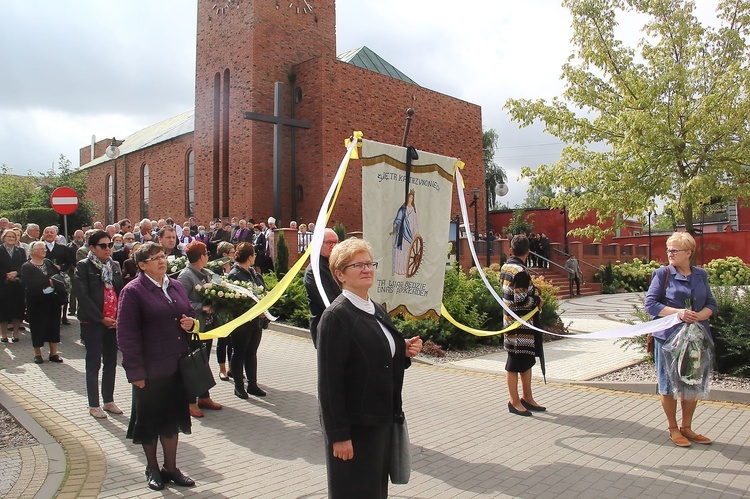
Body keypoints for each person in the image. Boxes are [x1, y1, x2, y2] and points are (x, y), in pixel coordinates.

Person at [317, 238, 423, 498]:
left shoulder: (373, 307)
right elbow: (329, 383)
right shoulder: (336, 316)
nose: (367, 269)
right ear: (340, 274)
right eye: (358, 265)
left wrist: (401, 350)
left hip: (380, 422)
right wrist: (338, 435)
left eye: (369, 263)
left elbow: (373, 354)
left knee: (375, 492)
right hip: (356, 428)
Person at [117, 242, 199, 491]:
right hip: (150, 370)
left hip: (176, 365)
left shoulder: (174, 285)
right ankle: (152, 467)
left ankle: (171, 468)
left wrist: (191, 323)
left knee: (172, 419)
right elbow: (126, 335)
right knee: (150, 422)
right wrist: (135, 372)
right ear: (142, 265)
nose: (161, 261)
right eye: (154, 258)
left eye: (162, 256)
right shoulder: (133, 291)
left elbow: (189, 313)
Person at [645, 232, 716, 447]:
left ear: (688, 253)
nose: (670, 254)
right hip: (668, 339)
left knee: (691, 383)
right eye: (668, 250)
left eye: (675, 250)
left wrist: (700, 315)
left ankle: (687, 427)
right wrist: (679, 313)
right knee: (668, 385)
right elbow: (650, 305)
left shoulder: (700, 274)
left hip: (696, 338)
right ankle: (673, 428)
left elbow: (711, 304)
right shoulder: (662, 273)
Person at [74, 230, 125, 419]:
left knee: (111, 361)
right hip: (93, 321)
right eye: (103, 246)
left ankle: (108, 400)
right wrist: (100, 318)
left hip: (113, 322)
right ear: (92, 248)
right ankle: (94, 404)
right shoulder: (84, 266)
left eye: (110, 245)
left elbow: (120, 292)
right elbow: (83, 297)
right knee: (93, 362)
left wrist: (119, 317)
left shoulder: (115, 266)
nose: (108, 249)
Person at [500, 235, 546, 416]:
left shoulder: (506, 267)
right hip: (518, 327)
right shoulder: (520, 272)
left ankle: (527, 397)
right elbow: (520, 300)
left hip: (515, 324)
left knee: (526, 362)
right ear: (528, 252)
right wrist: (537, 300)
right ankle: (514, 401)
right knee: (514, 364)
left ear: (511, 250)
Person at [177, 241, 223, 417]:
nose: (208, 257)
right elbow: (181, 302)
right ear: (201, 256)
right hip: (194, 327)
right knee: (193, 363)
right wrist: (201, 307)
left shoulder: (206, 274)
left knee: (203, 361)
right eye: (206, 254)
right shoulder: (186, 276)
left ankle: (204, 396)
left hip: (207, 326)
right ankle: (190, 401)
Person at [226, 242, 267, 398]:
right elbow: (234, 300)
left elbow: (262, 292)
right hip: (242, 322)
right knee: (239, 353)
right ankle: (239, 386)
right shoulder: (234, 275)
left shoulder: (254, 273)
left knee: (251, 353)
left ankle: (252, 384)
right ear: (250, 256)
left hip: (256, 322)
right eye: (254, 254)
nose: (255, 257)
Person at [21, 241, 64, 364]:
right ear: (32, 251)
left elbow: (57, 277)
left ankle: (53, 353)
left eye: (44, 248)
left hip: (52, 301)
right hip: (36, 302)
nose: (44, 250)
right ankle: (38, 353)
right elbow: (29, 284)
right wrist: (48, 282)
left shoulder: (48, 263)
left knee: (54, 326)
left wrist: (50, 282)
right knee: (37, 326)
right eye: (40, 248)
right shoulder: (26, 266)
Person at [303, 228, 341, 347]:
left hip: (345, 327)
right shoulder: (314, 271)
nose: (334, 246)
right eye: (329, 243)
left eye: (336, 242)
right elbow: (328, 302)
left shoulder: (338, 265)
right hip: (327, 330)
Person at [214, 240, 236, 380]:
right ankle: (222, 369)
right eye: (232, 252)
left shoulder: (234, 267)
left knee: (233, 341)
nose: (234, 255)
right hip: (221, 309)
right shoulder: (215, 269)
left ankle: (231, 368)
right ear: (224, 254)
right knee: (223, 340)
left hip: (232, 309)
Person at [0, 229, 26, 343]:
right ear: (3, 238)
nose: (11, 239)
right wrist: (5, 275)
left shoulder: (20, 251)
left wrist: (16, 273)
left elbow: (24, 265)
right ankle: (4, 334)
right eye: (9, 236)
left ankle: (15, 333)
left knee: (17, 309)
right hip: (3, 284)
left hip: (17, 284)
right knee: (3, 310)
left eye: (13, 237)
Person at [391, 189, 419, 276]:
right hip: (402, 234)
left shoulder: (413, 211)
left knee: (407, 251)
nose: (410, 199)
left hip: (409, 235)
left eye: (412, 198)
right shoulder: (402, 209)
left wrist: (416, 233)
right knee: (400, 251)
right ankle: (399, 269)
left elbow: (415, 223)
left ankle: (404, 270)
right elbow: (398, 219)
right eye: (409, 197)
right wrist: (396, 224)